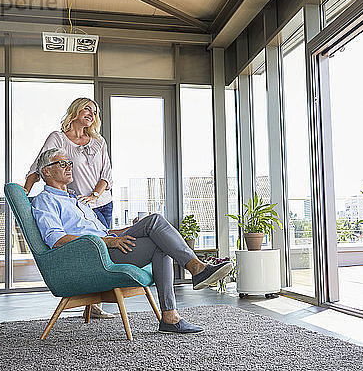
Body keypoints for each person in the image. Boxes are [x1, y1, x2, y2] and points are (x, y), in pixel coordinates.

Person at [31, 148, 233, 334]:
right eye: (62, 164)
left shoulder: (78, 201)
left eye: (69, 163)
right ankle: (194, 271)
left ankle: (171, 315)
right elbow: (56, 239)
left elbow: (105, 230)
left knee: (155, 229)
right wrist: (108, 242)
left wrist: (128, 229)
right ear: (46, 172)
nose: (69, 167)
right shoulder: (45, 201)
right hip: (95, 255)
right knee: (155, 226)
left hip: (108, 243)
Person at [24, 98, 114, 318]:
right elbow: (40, 165)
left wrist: (94, 195)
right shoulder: (58, 139)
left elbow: (107, 175)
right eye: (87, 109)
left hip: (100, 203)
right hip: (75, 205)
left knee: (103, 252)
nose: (91, 114)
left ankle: (95, 306)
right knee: (88, 251)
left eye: (95, 111)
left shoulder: (98, 141)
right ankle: (88, 301)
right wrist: (24, 194)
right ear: (75, 111)